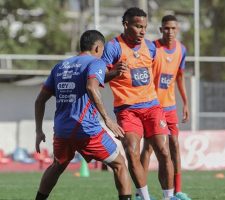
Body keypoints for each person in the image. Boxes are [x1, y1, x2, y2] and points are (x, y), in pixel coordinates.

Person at [34, 30, 132, 200]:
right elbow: (91, 87)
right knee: (120, 164)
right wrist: (107, 119)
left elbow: (39, 101)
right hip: (86, 129)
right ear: (97, 47)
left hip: (62, 130)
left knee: (57, 165)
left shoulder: (60, 66)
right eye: (102, 50)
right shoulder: (96, 62)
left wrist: (38, 131)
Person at [101, 7, 175, 200]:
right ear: (126, 25)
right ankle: (144, 197)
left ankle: (169, 197)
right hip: (127, 110)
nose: (142, 31)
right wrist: (113, 72)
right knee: (132, 150)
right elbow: (98, 78)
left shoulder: (150, 47)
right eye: (137, 26)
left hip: (152, 106)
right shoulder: (113, 47)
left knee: (164, 151)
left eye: (144, 27)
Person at [139, 15, 190, 200]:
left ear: (177, 30)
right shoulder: (152, 48)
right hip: (152, 106)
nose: (170, 32)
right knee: (149, 148)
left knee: (174, 145)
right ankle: (140, 193)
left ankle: (178, 191)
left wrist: (185, 103)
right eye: (166, 28)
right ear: (161, 30)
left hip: (170, 107)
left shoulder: (182, 50)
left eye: (173, 28)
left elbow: (180, 77)